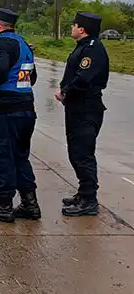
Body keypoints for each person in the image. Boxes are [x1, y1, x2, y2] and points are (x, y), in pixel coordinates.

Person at [0, 8, 40, 223]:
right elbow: (32, 77)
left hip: (5, 111)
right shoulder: (23, 44)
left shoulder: (2, 44)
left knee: (2, 157)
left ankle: (3, 206)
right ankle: (30, 204)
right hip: (25, 108)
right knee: (20, 156)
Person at [56, 12, 109, 217]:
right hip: (77, 107)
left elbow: (83, 78)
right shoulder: (84, 46)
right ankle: (83, 192)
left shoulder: (92, 50)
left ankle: (89, 200)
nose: (72, 28)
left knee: (82, 154)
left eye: (74, 25)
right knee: (75, 152)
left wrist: (65, 92)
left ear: (82, 29)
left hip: (86, 108)